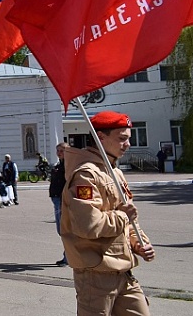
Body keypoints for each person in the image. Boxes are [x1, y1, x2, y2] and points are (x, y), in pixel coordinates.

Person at [61, 111, 155, 315]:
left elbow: (129, 221)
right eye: (121, 139)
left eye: (128, 139)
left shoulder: (115, 172)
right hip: (96, 274)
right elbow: (88, 226)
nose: (127, 144)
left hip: (123, 271)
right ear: (100, 138)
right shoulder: (86, 175)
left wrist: (139, 243)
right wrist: (122, 216)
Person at [49, 142, 69, 266]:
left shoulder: (68, 166)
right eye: (58, 150)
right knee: (61, 230)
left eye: (62, 150)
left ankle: (68, 257)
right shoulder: (59, 165)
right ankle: (68, 256)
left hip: (63, 200)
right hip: (56, 199)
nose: (59, 153)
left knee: (65, 230)